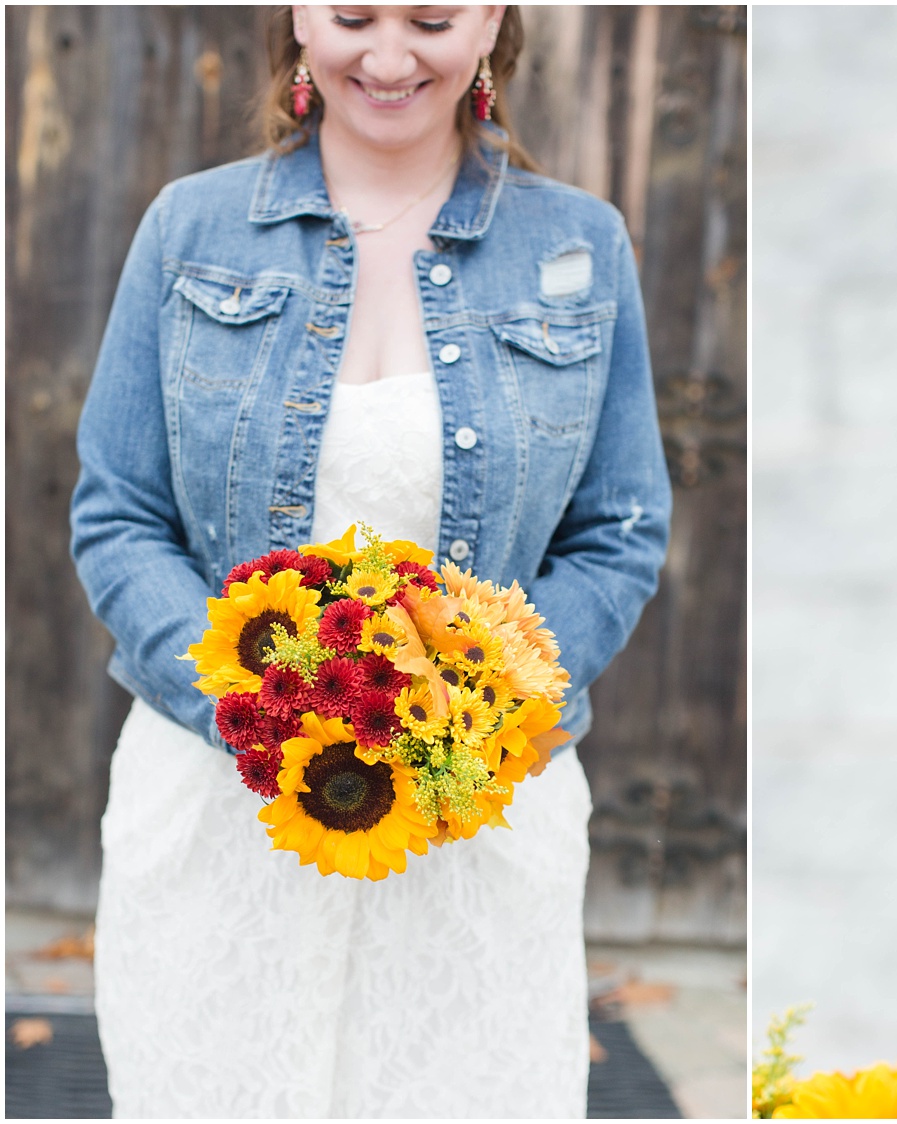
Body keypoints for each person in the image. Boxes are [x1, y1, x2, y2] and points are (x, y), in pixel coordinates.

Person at [70, 5, 670, 1117]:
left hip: (476, 827)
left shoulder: (580, 245)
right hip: (221, 820)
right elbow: (118, 515)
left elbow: (619, 529)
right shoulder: (187, 230)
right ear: (297, 16)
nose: (388, 59)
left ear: (492, 20)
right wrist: (256, 703)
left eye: (433, 19)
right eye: (352, 16)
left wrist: (482, 705)